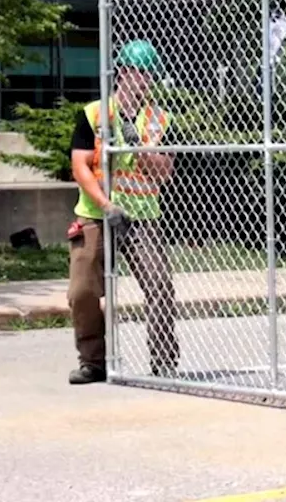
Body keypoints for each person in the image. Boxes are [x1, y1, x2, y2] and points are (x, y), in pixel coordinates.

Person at [66, 39, 180, 385]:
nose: (144, 81)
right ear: (124, 72)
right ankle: (93, 362)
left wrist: (138, 145)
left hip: (142, 214)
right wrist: (105, 204)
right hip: (96, 213)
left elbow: (165, 171)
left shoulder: (159, 119)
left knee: (159, 286)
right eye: (138, 73)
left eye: (149, 76)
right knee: (82, 292)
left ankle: (163, 363)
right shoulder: (94, 114)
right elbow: (80, 166)